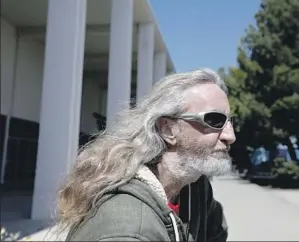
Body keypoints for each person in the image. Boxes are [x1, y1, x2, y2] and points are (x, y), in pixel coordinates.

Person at [58, 69, 236, 242]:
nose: (230, 136)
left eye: (229, 121)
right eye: (215, 120)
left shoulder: (195, 187)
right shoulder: (128, 231)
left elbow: (217, 231)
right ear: (168, 129)